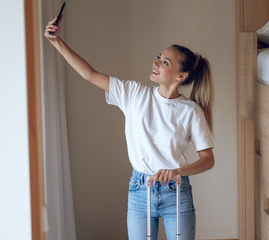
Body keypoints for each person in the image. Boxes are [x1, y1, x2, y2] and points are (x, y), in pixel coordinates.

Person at [44, 15, 215, 240]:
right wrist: (57, 42)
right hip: (139, 189)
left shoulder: (190, 111)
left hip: (176, 192)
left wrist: (177, 171)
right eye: (159, 58)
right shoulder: (134, 94)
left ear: (180, 76)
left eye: (165, 63)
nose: (155, 63)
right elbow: (90, 75)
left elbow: (207, 159)